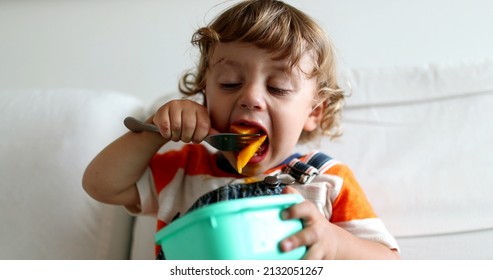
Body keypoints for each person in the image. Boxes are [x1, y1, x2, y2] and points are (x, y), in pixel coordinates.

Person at [83, 0, 399, 260]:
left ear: (314, 112)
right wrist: (157, 129)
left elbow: (390, 264)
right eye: (229, 83)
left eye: (278, 87)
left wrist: (335, 242)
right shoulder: (183, 170)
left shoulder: (326, 180)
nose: (249, 97)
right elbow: (101, 185)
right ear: (205, 95)